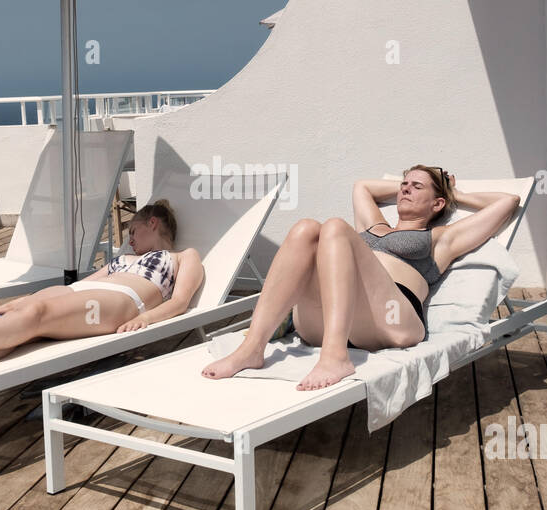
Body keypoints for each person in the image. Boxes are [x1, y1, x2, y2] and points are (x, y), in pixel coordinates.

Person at [202, 165, 519, 391]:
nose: (405, 189)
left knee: (337, 227)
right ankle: (252, 349)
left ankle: (335, 355)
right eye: (403, 184)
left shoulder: (442, 238)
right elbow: (362, 187)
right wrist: (412, 181)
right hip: (324, 323)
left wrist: (453, 193)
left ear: (437, 204)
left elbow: (507, 202)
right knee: (306, 229)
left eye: (416, 187)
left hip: (393, 321)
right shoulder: (375, 224)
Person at [0, 198, 203, 380]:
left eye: (132, 231)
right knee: (30, 317)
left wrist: (146, 319)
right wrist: (27, 298)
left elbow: (180, 302)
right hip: (89, 294)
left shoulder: (182, 257)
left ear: (153, 224)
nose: (129, 239)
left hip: (124, 301)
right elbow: (85, 284)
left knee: (37, 315)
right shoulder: (125, 258)